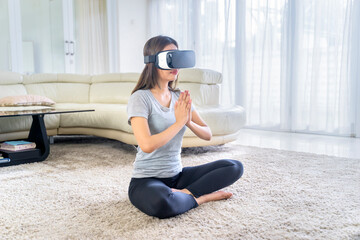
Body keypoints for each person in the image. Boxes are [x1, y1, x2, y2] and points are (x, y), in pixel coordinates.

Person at [127, 35, 243, 219]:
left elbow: (207, 135)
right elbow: (147, 145)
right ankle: (201, 198)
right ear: (152, 62)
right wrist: (179, 122)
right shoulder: (140, 98)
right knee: (161, 203)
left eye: (177, 58)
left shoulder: (179, 97)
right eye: (169, 58)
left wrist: (187, 120)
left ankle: (184, 193)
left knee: (234, 166)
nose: (176, 66)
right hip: (146, 180)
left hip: (177, 176)